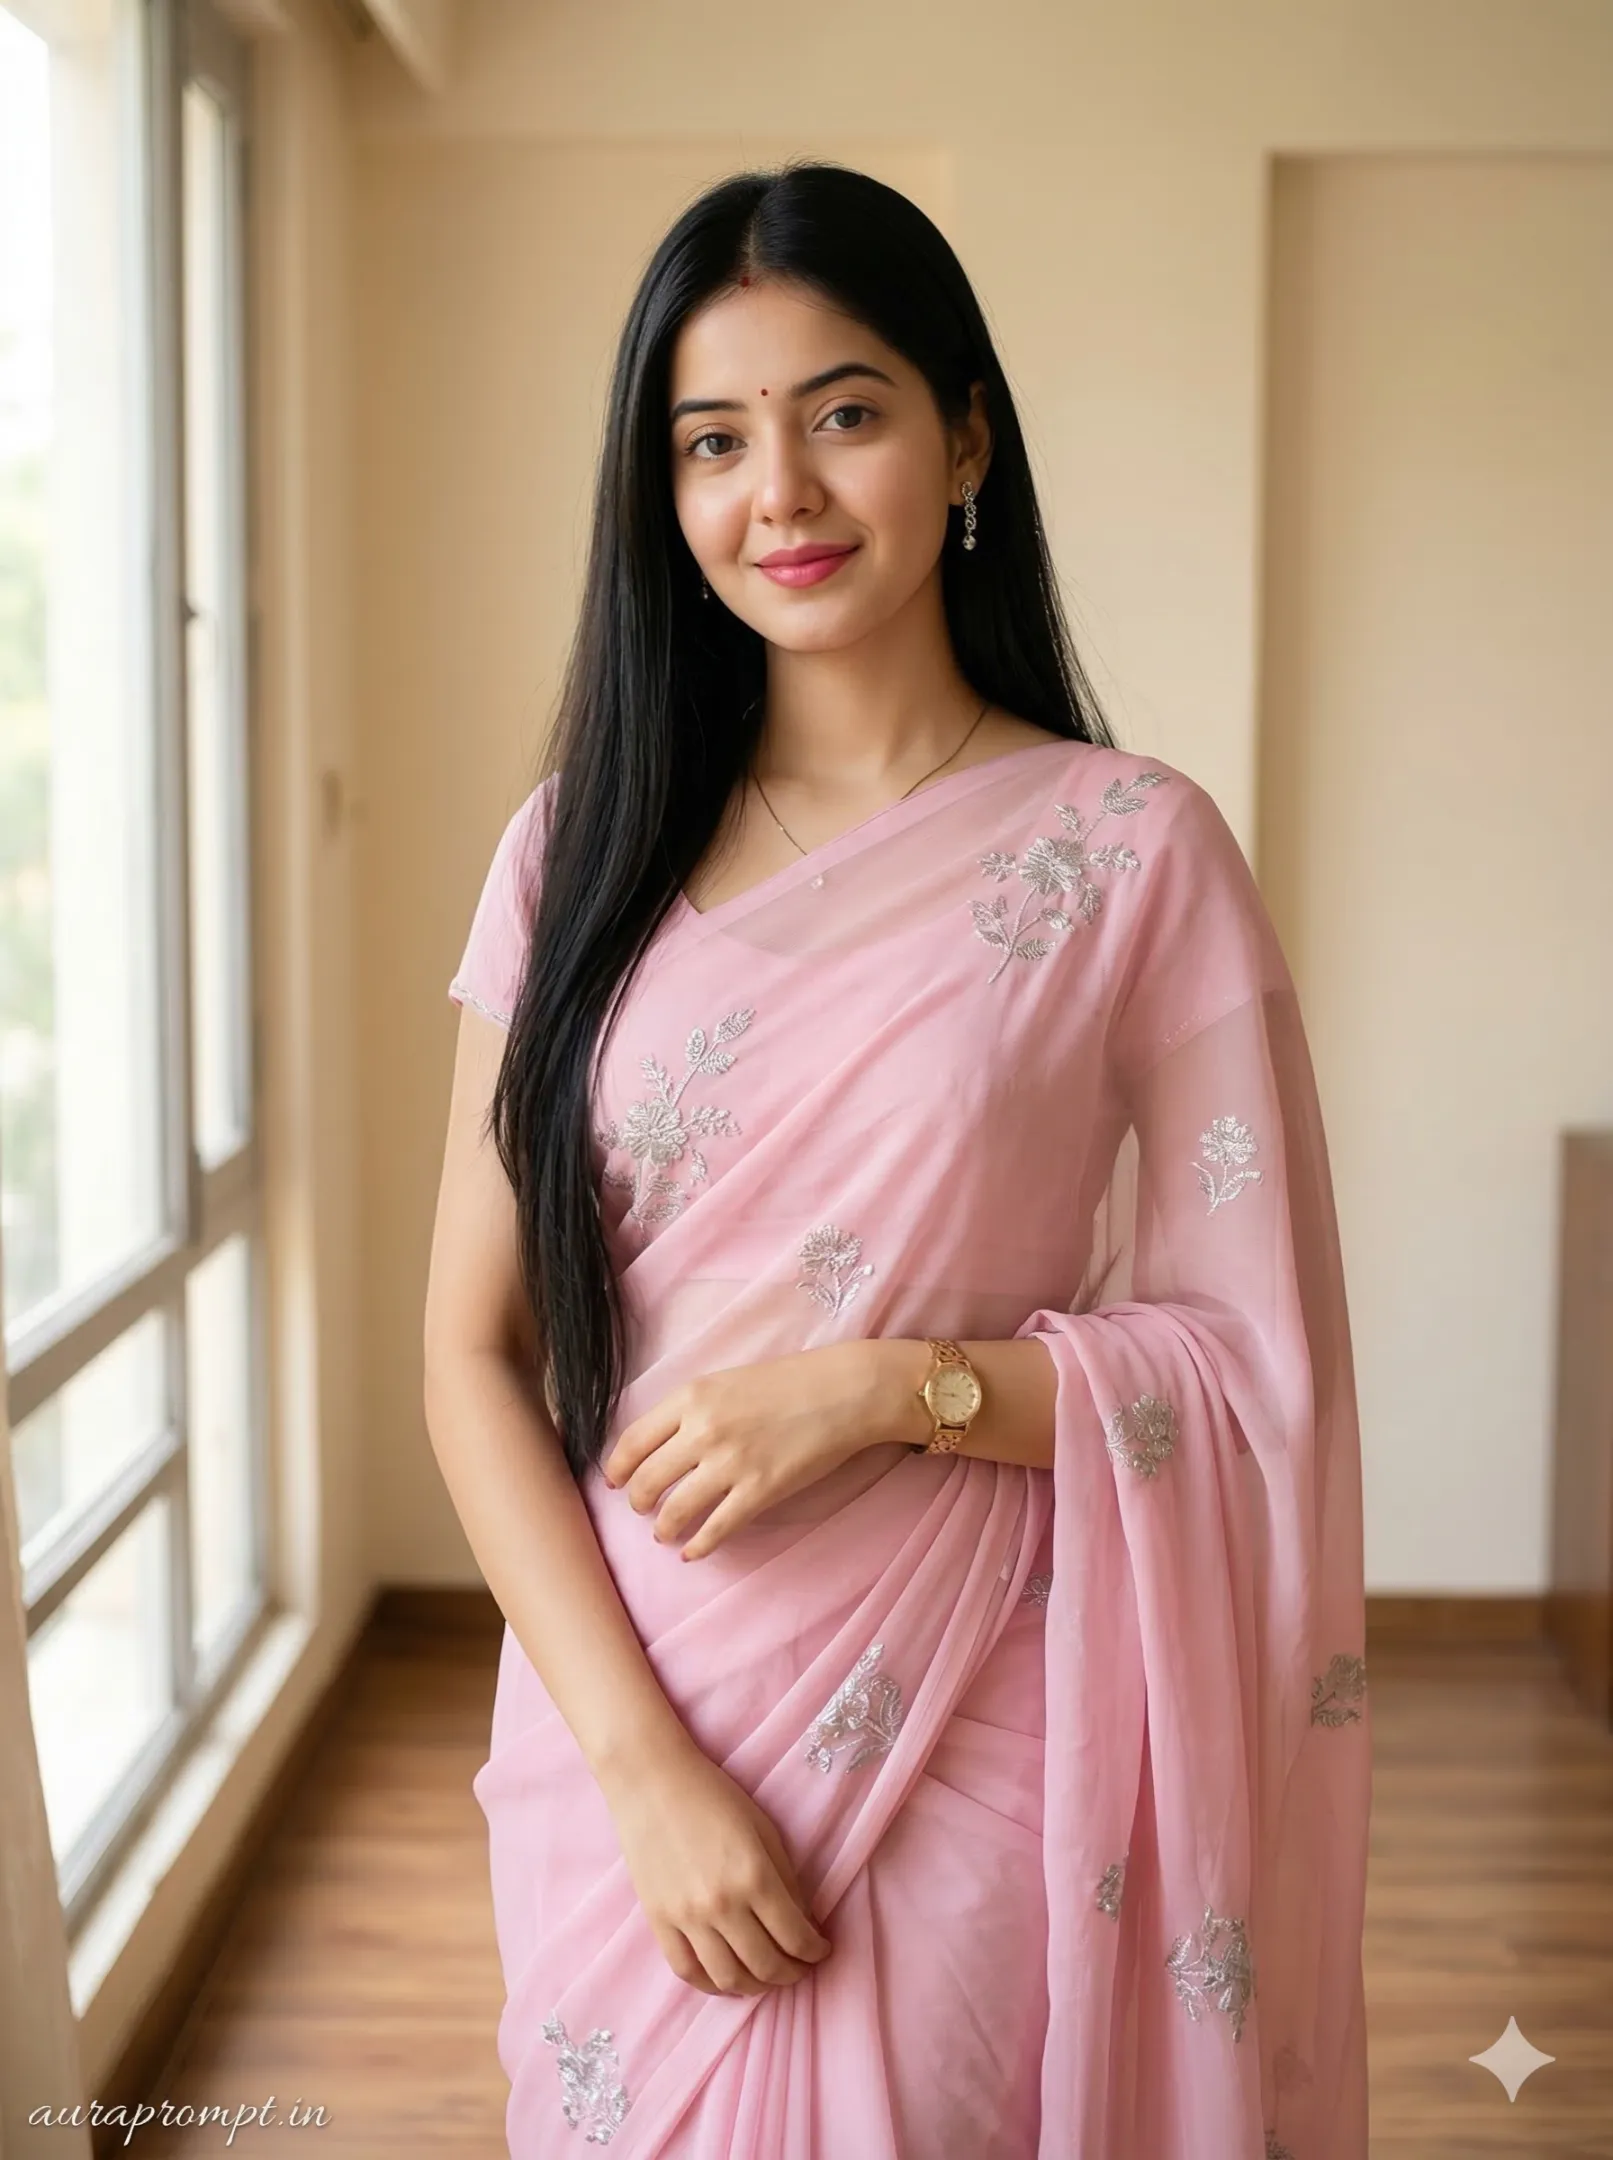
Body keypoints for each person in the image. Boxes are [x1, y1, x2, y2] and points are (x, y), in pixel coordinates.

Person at [423, 160, 1370, 2160]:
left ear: (963, 440)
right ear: (659, 496)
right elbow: (469, 1353)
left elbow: (1247, 1380)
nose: (779, 492)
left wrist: (890, 1390)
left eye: (840, 413)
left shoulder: (1131, 853)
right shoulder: (571, 854)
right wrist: (641, 1773)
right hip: (633, 1729)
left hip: (979, 1724)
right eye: (711, 442)